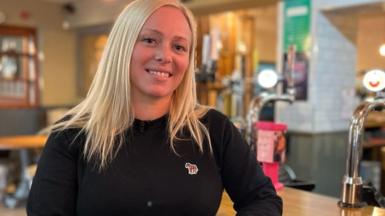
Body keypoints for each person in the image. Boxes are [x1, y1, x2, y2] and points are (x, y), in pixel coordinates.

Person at [27, 0, 282, 215]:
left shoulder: (213, 129)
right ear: (122, 48)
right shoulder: (72, 135)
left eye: (179, 46)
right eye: (150, 40)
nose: (165, 56)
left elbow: (263, 199)